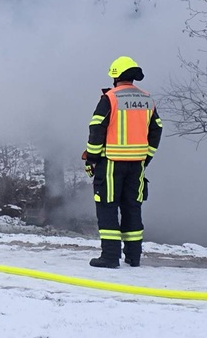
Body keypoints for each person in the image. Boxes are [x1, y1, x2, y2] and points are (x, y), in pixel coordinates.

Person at [83, 56, 162, 268]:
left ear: (115, 76)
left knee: (107, 207)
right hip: (137, 165)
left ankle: (110, 256)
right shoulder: (147, 99)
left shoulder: (110, 98)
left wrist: (92, 158)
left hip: (111, 163)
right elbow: (157, 130)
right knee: (132, 207)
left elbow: (96, 128)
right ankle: (133, 257)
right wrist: (146, 157)